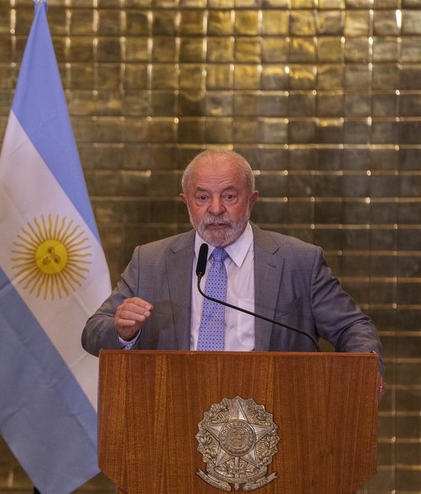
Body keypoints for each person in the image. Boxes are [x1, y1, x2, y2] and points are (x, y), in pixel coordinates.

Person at [81, 149, 385, 397]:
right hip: (175, 414)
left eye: (229, 197)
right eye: (202, 198)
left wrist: (366, 370)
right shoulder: (150, 261)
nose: (215, 209)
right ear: (186, 202)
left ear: (251, 200)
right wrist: (124, 331)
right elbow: (93, 332)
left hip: (274, 415)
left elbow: (352, 327)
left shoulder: (299, 261)